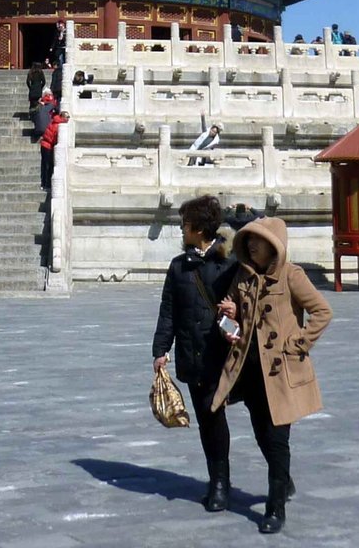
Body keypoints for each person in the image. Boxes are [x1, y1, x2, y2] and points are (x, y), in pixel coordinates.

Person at [212, 217, 332, 535]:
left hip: (279, 374)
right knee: (261, 434)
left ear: (274, 245)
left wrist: (300, 343)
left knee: (278, 440)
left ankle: (274, 508)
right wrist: (231, 319)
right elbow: (235, 315)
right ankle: (284, 479)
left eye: (259, 241)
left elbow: (322, 311)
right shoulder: (242, 276)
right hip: (249, 371)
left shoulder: (292, 276)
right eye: (249, 240)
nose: (252, 245)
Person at [152, 195, 239, 512]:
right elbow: (168, 312)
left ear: (199, 228)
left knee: (217, 415)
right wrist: (161, 349)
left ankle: (237, 479)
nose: (181, 230)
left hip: (223, 353)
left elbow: (245, 307)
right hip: (192, 353)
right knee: (207, 419)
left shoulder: (229, 265)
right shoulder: (178, 267)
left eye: (184, 224)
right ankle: (218, 480)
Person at [39, 110, 68, 192]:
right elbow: (55, 139)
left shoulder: (55, 121)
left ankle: (44, 183)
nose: (68, 119)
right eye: (67, 117)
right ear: (62, 117)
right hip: (47, 146)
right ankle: (46, 184)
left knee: (45, 165)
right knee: (48, 166)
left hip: (45, 145)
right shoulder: (58, 125)